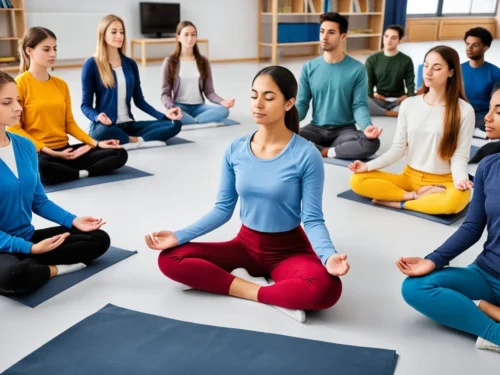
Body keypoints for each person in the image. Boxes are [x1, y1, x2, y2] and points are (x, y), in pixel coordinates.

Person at [146, 66, 349, 323]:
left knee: (327, 289)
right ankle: (263, 292)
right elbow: (222, 209)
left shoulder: (306, 154)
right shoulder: (236, 149)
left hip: (288, 250)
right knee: (170, 258)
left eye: (269, 97)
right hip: (245, 245)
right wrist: (178, 235)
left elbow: (312, 219)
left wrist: (328, 256)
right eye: (254, 96)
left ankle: (244, 287)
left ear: (288, 104)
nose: (258, 104)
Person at [397, 83, 500, 354]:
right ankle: (494, 331)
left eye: (498, 112)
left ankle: (483, 310)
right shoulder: (489, 166)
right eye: (489, 109)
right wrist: (433, 260)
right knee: (415, 287)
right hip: (487, 275)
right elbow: (472, 227)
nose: (487, 118)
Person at [0, 71, 110, 295]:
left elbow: (39, 201)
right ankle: (52, 268)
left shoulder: (25, 145)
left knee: (99, 238)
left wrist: (73, 220)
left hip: (28, 238)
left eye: (18, 100)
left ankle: (33, 264)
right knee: (12, 276)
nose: (18, 108)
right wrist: (31, 248)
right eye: (6, 102)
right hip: (6, 246)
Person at [349, 46, 475, 215]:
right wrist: (368, 166)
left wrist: (461, 180)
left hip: (443, 181)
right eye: (426, 65)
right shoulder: (409, 104)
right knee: (358, 179)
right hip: (410, 178)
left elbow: (460, 156)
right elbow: (398, 149)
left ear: (451, 72)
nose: (428, 72)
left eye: (436, 68)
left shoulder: (464, 110)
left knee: (456, 200)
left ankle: (399, 203)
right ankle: (414, 197)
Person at [8, 27, 127, 185]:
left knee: (119, 153)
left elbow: (69, 124)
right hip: (40, 153)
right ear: (29, 50)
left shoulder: (61, 85)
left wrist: (94, 143)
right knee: (43, 167)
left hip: (66, 150)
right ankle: (77, 170)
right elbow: (14, 128)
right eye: (46, 49)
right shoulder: (19, 84)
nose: (52, 54)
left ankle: (77, 173)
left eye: (55, 49)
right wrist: (49, 151)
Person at [82, 15, 182, 150]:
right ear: (103, 34)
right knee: (102, 132)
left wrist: (163, 116)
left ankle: (133, 140)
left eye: (121, 32)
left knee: (175, 124)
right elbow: (85, 105)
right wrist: (97, 116)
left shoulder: (130, 64)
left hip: (129, 125)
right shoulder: (91, 64)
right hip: (106, 126)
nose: (119, 36)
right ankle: (141, 139)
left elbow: (139, 100)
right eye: (114, 32)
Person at [297, 12, 382, 161]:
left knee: (371, 143)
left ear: (343, 36)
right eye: (322, 31)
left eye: (331, 32)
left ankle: (324, 152)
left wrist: (366, 126)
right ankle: (336, 151)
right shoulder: (309, 67)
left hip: (344, 132)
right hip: (315, 129)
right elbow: (302, 103)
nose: (324, 37)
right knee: (285, 136)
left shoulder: (357, 69)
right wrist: (285, 122)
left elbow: (359, 105)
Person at [161, 21, 235, 126]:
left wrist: (222, 102)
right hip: (180, 107)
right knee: (174, 114)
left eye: (193, 34)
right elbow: (165, 94)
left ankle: (194, 121)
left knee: (224, 110)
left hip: (199, 107)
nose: (190, 38)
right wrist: (171, 107)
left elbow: (209, 92)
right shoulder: (169, 62)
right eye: (186, 34)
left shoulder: (203, 61)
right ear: (178, 37)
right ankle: (199, 120)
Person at [366, 25, 415, 118]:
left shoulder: (406, 60)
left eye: (393, 38)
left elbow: (410, 84)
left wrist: (408, 96)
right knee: (360, 99)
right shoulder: (372, 60)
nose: (389, 40)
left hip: (399, 100)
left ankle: (387, 112)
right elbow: (369, 84)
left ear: (400, 40)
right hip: (379, 99)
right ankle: (392, 113)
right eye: (386, 36)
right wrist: (374, 94)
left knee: (414, 103)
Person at [461, 27, 500, 140]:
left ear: (485, 48)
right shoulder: (457, 70)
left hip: (482, 118)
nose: (469, 48)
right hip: (459, 114)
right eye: (467, 44)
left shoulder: (496, 73)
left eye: (475, 45)